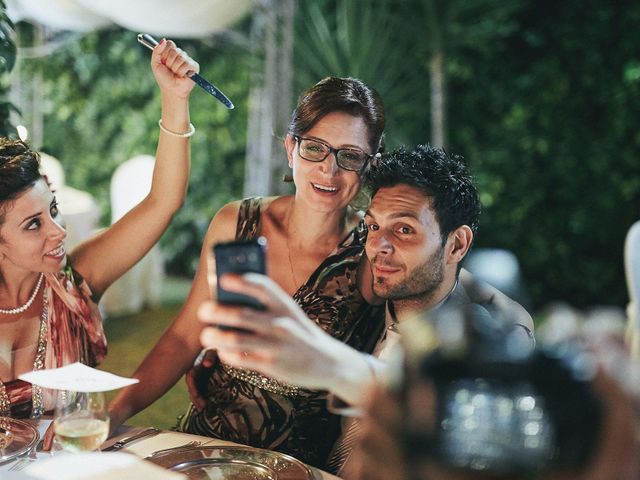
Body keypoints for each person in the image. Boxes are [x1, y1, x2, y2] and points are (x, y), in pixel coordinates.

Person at [195, 144, 534, 472]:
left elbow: (447, 413)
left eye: (404, 229)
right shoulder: (367, 290)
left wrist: (329, 363)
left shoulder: (481, 340)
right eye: (372, 226)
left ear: (456, 244)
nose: (378, 247)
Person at [0, 38, 197, 419]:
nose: (58, 231)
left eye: (53, 210)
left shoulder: (75, 284)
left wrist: (175, 98)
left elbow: (163, 202)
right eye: (33, 224)